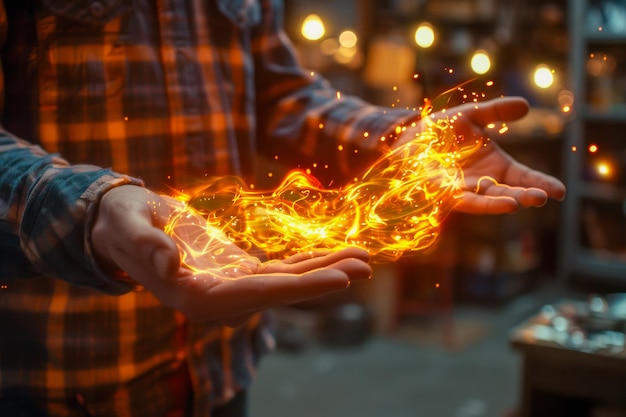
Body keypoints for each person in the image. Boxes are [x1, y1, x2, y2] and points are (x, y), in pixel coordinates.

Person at [0, 1, 566, 416]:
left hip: (218, 368)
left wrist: (402, 139)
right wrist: (88, 208)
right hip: (58, 376)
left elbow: (285, 96)